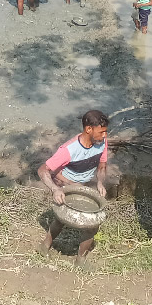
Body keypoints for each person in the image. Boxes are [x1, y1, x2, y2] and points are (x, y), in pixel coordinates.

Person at [37, 110, 109, 264]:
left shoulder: (102, 142)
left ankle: (80, 259)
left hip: (83, 185)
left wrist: (100, 182)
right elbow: (42, 170)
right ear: (88, 129)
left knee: (92, 224)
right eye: (101, 132)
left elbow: (102, 167)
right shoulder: (69, 150)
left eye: (105, 132)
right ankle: (45, 246)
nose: (104, 136)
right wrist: (56, 189)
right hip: (66, 186)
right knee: (62, 220)